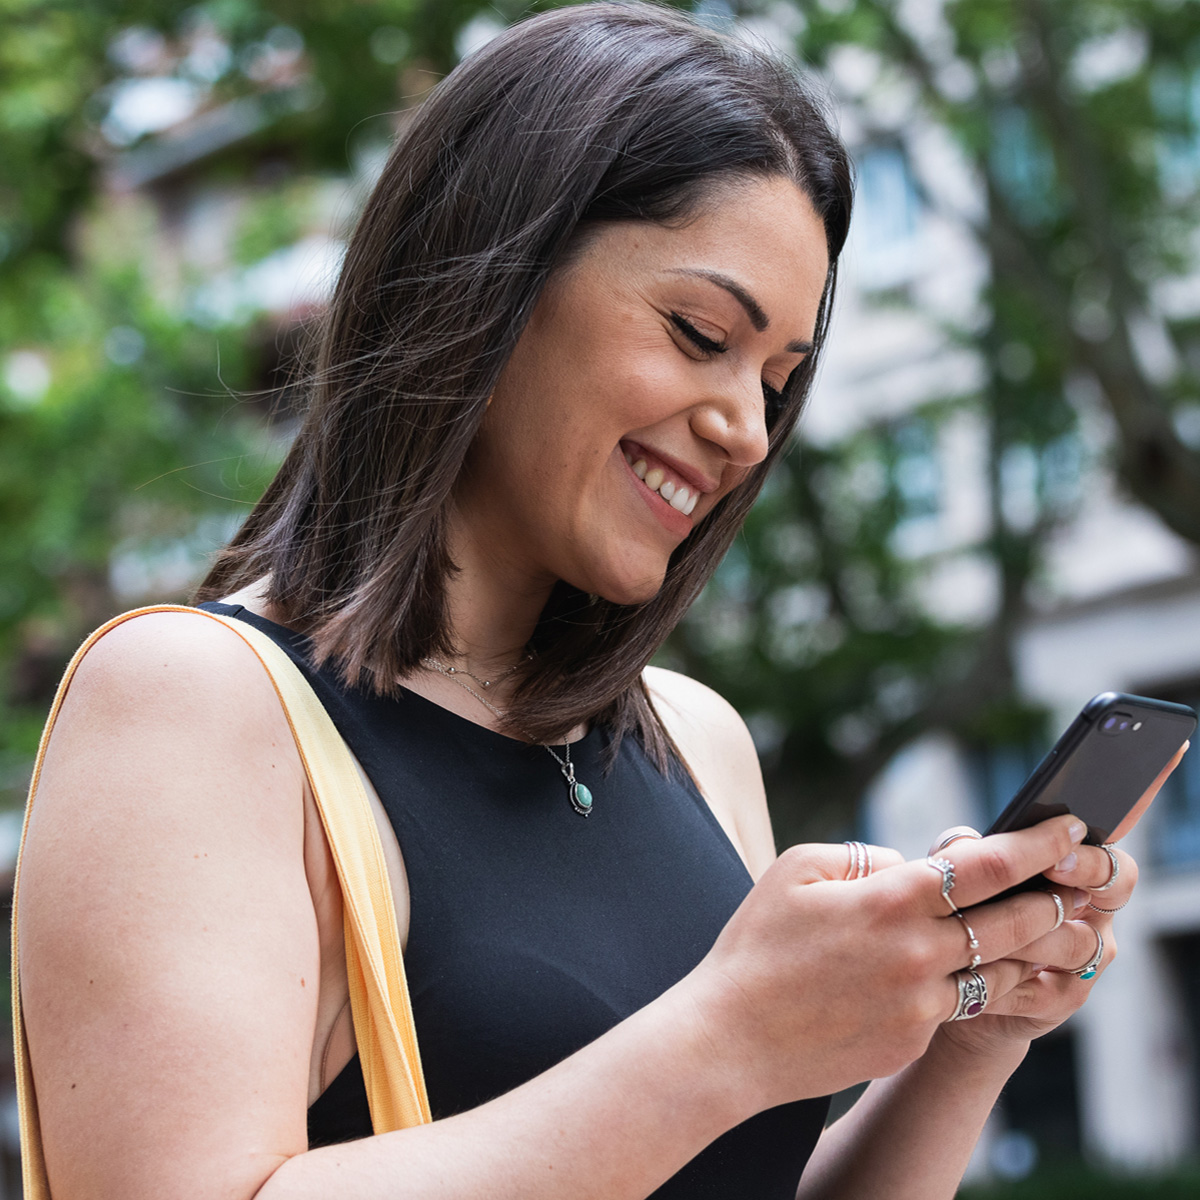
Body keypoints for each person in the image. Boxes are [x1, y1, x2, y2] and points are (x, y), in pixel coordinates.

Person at [16, 5, 1169, 1198]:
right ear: (491, 277)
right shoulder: (192, 705)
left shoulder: (695, 742)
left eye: (779, 379)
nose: (745, 428)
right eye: (698, 332)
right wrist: (730, 1039)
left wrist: (965, 1037)